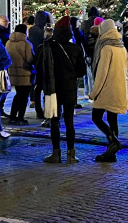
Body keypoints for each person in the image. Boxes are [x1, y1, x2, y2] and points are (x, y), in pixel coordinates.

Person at [37, 16, 87, 164]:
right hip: (70, 89)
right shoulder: (76, 48)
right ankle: (71, 155)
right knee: (69, 122)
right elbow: (81, 71)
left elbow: (40, 68)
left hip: (53, 90)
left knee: (54, 121)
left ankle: (56, 153)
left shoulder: (47, 47)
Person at [89, 19, 128, 162]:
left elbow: (102, 73)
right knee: (113, 119)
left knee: (96, 117)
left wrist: (94, 93)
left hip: (106, 89)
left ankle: (114, 142)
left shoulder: (106, 48)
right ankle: (112, 154)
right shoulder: (121, 46)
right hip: (118, 88)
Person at [5, 23, 34, 126]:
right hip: (24, 73)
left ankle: (13, 116)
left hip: (12, 72)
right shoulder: (26, 43)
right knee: (24, 96)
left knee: (17, 95)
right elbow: (30, 59)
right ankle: (20, 118)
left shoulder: (8, 42)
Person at [28, 10, 51, 121]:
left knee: (37, 86)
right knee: (44, 85)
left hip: (35, 59)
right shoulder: (43, 31)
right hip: (44, 59)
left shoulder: (31, 30)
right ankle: (45, 109)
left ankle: (37, 108)